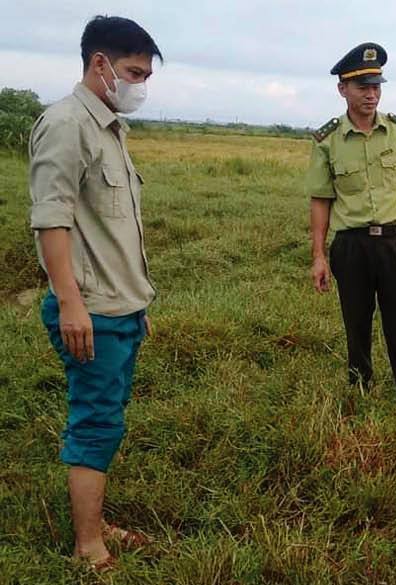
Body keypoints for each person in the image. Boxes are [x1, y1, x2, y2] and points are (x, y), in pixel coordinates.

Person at [28, 15, 162, 571]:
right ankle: (89, 547)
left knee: (110, 418)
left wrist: (137, 301)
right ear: (99, 63)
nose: (140, 85)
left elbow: (111, 229)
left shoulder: (109, 127)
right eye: (133, 73)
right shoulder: (66, 124)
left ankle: (96, 521)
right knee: (96, 422)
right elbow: (51, 220)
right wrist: (70, 303)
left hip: (122, 306)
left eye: (146, 75)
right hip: (92, 310)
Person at [305, 42, 396, 412]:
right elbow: (320, 201)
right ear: (342, 89)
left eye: (376, 86)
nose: (371, 94)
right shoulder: (328, 141)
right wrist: (318, 256)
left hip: (395, 243)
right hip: (351, 246)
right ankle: (360, 392)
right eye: (362, 87)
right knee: (356, 323)